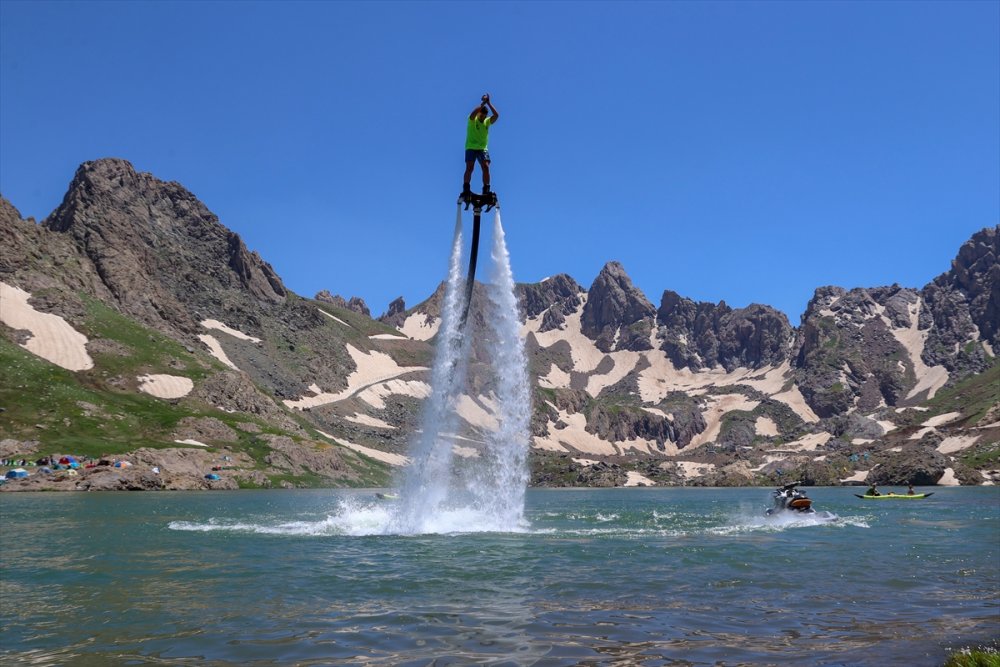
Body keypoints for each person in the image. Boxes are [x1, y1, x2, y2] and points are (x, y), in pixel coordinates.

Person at [462, 93, 499, 196]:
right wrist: (483, 103)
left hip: (482, 148)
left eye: (484, 116)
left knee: (486, 166)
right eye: (481, 115)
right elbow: (473, 113)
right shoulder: (472, 119)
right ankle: (466, 187)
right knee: (470, 167)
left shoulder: (486, 121)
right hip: (471, 147)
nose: (483, 117)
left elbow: (496, 116)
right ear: (479, 114)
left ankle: (486, 189)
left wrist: (489, 103)